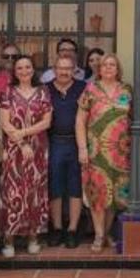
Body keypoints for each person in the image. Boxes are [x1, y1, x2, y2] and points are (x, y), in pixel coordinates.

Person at [0, 55, 53, 257]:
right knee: (13, 192)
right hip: (14, 151)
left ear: (33, 69)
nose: (24, 71)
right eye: (19, 67)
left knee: (35, 193)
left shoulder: (43, 91)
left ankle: (33, 237)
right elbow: (5, 123)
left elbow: (46, 122)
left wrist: (23, 133)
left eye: (28, 67)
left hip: (38, 150)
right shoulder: (7, 92)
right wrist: (21, 142)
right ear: (14, 71)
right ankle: (9, 240)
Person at [76, 53, 132, 252]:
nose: (108, 68)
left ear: (118, 69)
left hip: (120, 153)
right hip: (96, 151)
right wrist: (82, 148)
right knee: (97, 194)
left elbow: (134, 120)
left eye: (112, 65)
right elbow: (80, 121)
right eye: (105, 65)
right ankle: (99, 235)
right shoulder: (90, 89)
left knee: (115, 196)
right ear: (99, 69)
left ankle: (106, 232)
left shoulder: (126, 90)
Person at [45, 56, 86, 248]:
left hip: (76, 142)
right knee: (55, 186)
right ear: (54, 69)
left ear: (74, 70)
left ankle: (72, 229)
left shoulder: (83, 88)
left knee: (75, 186)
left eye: (68, 68)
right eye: (61, 68)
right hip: (53, 142)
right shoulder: (45, 89)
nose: (64, 72)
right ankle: (57, 228)